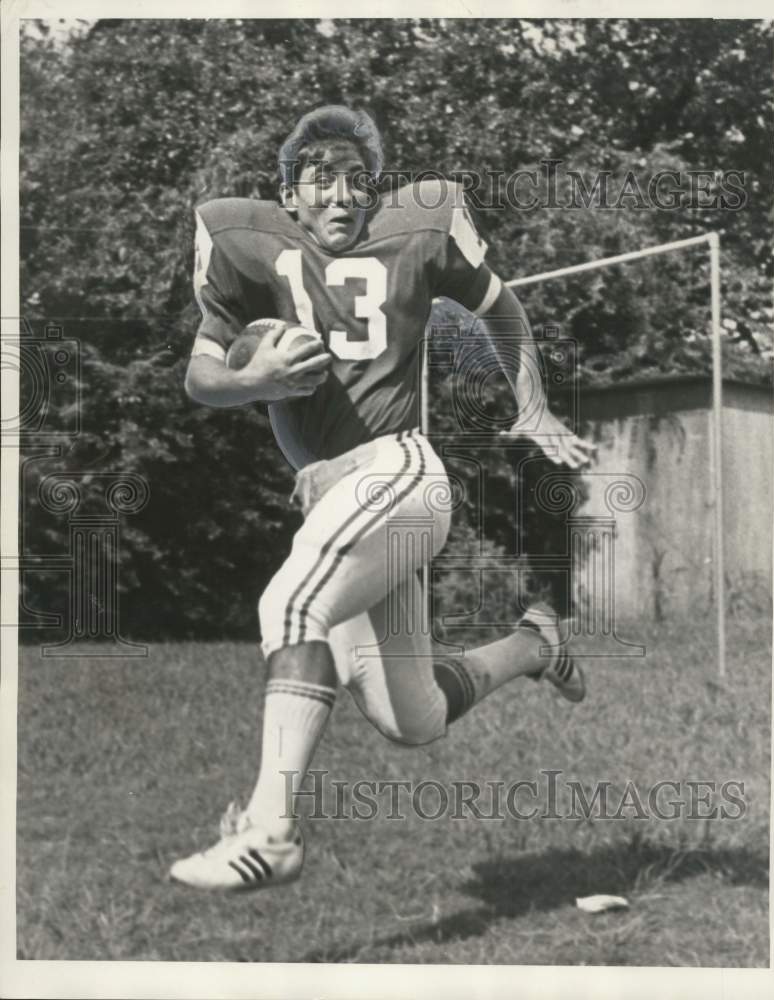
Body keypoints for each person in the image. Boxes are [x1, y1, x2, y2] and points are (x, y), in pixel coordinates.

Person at [170, 106, 596, 891]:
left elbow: (498, 304)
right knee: (413, 717)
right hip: (337, 496)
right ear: (288, 195)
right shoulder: (244, 241)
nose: (340, 197)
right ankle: (536, 644)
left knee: (290, 608)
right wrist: (250, 382)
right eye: (320, 181)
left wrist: (530, 401)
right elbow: (200, 375)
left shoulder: (416, 229)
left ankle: (270, 831)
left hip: (397, 471)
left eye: (355, 182)